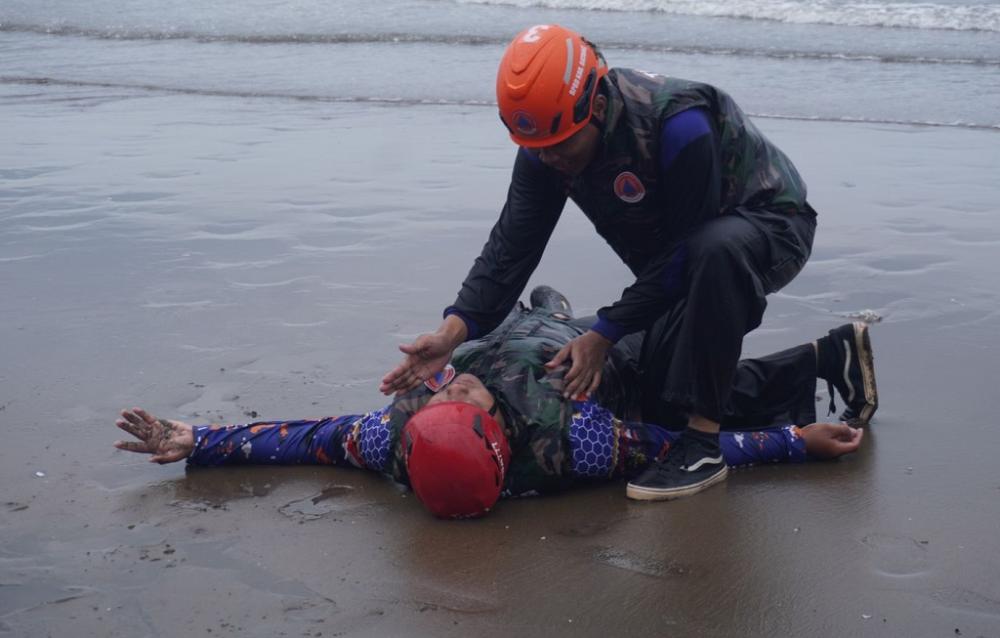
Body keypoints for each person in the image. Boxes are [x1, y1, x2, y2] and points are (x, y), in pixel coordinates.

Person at [379, 24, 861, 501]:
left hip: (766, 228)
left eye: (561, 147)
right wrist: (454, 330)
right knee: (659, 395)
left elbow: (686, 254)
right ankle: (824, 362)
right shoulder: (547, 147)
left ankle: (703, 444)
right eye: (537, 150)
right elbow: (510, 249)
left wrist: (604, 332)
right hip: (679, 256)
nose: (550, 161)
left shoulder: (680, 126)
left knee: (713, 257)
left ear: (599, 106)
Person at [115, 287, 873, 518]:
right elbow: (687, 450)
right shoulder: (575, 442)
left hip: (517, 327)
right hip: (577, 354)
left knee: (522, 316)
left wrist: (202, 439)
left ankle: (544, 298)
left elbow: (307, 436)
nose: (457, 386)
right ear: (495, 438)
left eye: (453, 391)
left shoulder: (393, 439)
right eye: (465, 395)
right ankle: (814, 363)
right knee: (684, 397)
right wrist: (795, 442)